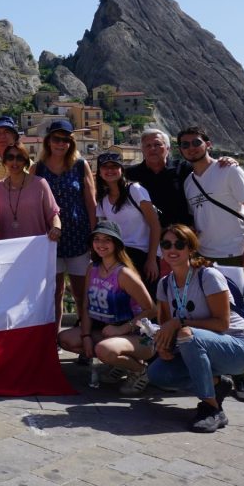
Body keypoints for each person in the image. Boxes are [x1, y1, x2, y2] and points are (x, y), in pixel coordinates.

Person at [147, 224, 244, 432]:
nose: (172, 249)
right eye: (166, 244)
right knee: (157, 373)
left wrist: (179, 323)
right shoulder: (164, 284)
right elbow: (166, 327)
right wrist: (164, 346)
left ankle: (211, 408)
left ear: (191, 248)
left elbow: (222, 324)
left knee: (188, 334)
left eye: (179, 244)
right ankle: (217, 383)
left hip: (239, 347)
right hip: (199, 345)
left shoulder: (207, 276)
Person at [178, 126, 244, 402]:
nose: (191, 148)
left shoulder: (229, 170)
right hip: (206, 258)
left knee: (242, 316)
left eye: (195, 142)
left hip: (235, 254)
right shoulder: (190, 182)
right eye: (185, 145)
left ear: (208, 144)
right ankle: (222, 369)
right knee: (215, 316)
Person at [58, 221, 157, 396]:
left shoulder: (124, 274)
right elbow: (86, 304)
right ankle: (119, 364)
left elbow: (151, 309)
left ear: (116, 243)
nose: (101, 244)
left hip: (138, 337)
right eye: (97, 239)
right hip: (107, 332)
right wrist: (86, 336)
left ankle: (140, 370)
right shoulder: (93, 268)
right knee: (66, 339)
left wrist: (123, 328)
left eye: (107, 240)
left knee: (104, 350)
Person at [35, 120, 96, 332]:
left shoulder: (80, 165)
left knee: (81, 292)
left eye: (66, 140)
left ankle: (85, 336)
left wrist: (93, 235)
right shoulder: (39, 168)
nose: (61, 144)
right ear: (48, 141)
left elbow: (91, 202)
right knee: (55, 292)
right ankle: (54, 339)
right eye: (56, 139)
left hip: (79, 237)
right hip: (51, 238)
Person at [95, 151, 161, 283]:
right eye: (105, 167)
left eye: (114, 166)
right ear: (100, 172)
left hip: (141, 254)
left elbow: (155, 225)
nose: (110, 170)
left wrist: (152, 259)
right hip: (117, 256)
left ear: (121, 169)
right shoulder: (103, 200)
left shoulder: (135, 190)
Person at [0, 143, 61, 241]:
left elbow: (52, 214)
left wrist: (56, 228)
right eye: (10, 157)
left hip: (35, 246)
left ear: (25, 162)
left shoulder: (40, 184)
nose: (14, 162)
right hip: (7, 249)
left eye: (19, 158)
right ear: (5, 161)